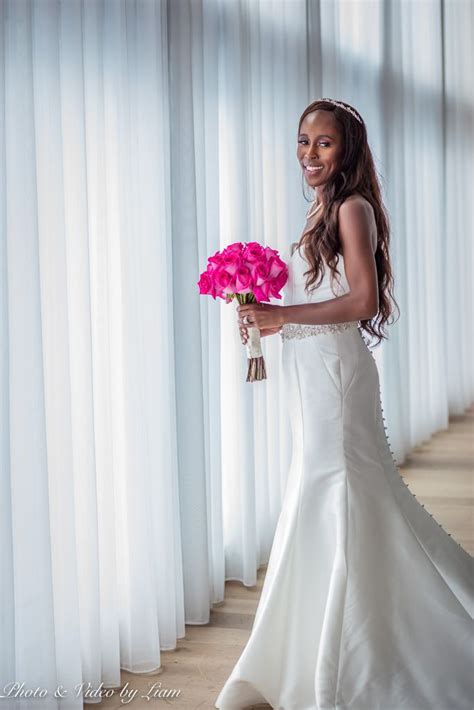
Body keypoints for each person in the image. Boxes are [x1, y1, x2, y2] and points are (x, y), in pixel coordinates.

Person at [214, 99, 473, 710]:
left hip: (337, 379)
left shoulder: (352, 208)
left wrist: (283, 314)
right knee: (329, 488)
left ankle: (358, 649)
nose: (310, 153)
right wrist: (272, 321)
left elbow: (361, 300)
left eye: (324, 143)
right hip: (313, 374)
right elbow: (326, 295)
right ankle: (311, 641)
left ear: (347, 149)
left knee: (339, 490)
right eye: (303, 140)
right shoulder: (321, 208)